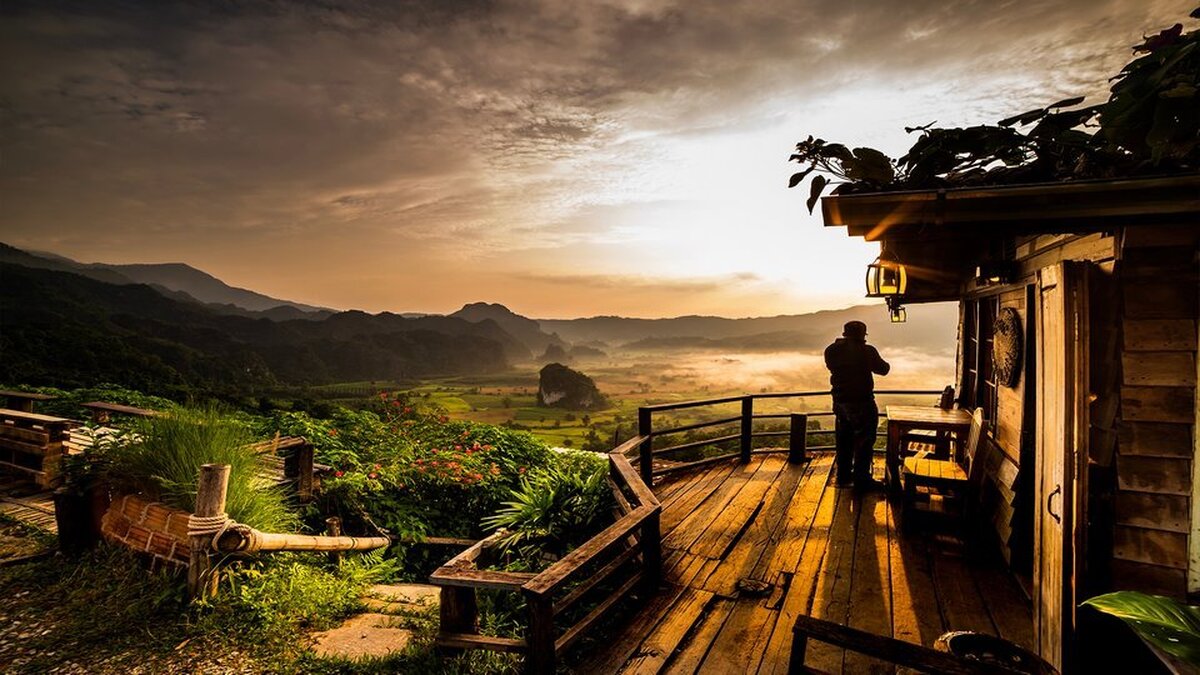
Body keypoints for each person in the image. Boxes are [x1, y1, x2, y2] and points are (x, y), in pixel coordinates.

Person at [824, 320, 890, 489]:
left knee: (844, 439)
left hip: (840, 401)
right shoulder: (867, 351)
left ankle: (843, 475)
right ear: (862, 335)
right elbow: (883, 369)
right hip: (862, 402)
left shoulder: (831, 350)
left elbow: (832, 365)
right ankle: (861, 478)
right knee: (865, 439)